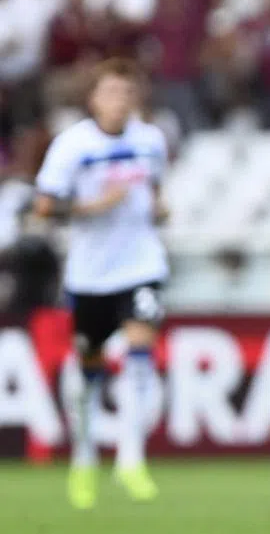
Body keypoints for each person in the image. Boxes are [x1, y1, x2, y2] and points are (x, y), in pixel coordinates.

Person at [33, 58, 170, 509]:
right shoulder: (72, 146)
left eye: (127, 93)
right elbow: (44, 207)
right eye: (111, 92)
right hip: (91, 274)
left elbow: (155, 191)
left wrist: (158, 209)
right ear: (93, 98)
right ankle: (84, 456)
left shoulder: (151, 141)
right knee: (89, 367)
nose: (120, 102)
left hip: (141, 265)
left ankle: (131, 459)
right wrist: (94, 206)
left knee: (139, 352)